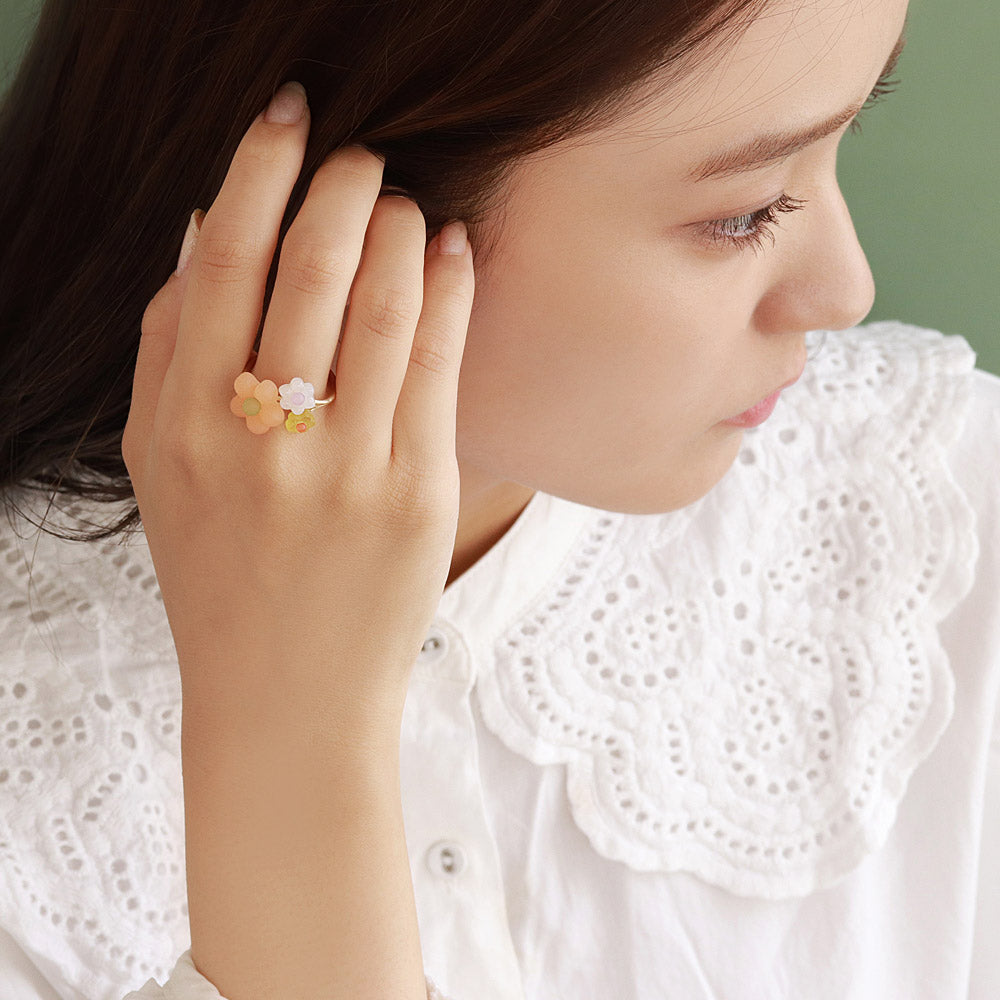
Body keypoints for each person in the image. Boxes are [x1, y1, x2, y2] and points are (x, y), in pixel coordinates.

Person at [0, 0, 996, 996]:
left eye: (843, 134)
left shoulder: (943, 520)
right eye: (745, 211)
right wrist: (288, 743)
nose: (843, 290)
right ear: (321, 215)